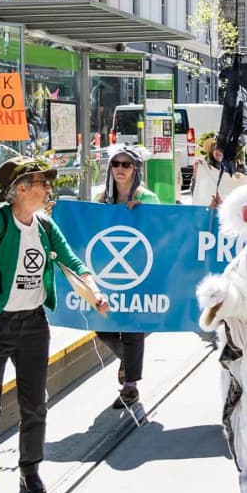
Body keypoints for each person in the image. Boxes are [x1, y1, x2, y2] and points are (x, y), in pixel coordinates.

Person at [0, 157, 110, 493]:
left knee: (34, 403)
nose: (47, 188)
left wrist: (94, 290)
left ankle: (30, 469)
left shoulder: (44, 225)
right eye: (41, 182)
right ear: (21, 189)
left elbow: (72, 261)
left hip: (32, 324)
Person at [94, 148, 160, 409]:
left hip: (138, 273)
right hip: (108, 273)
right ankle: (126, 359)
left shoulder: (147, 197)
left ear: (136, 169)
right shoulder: (101, 199)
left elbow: (162, 228)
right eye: (115, 164)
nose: (120, 169)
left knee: (132, 328)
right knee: (103, 325)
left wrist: (145, 213)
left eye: (126, 164)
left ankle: (130, 386)